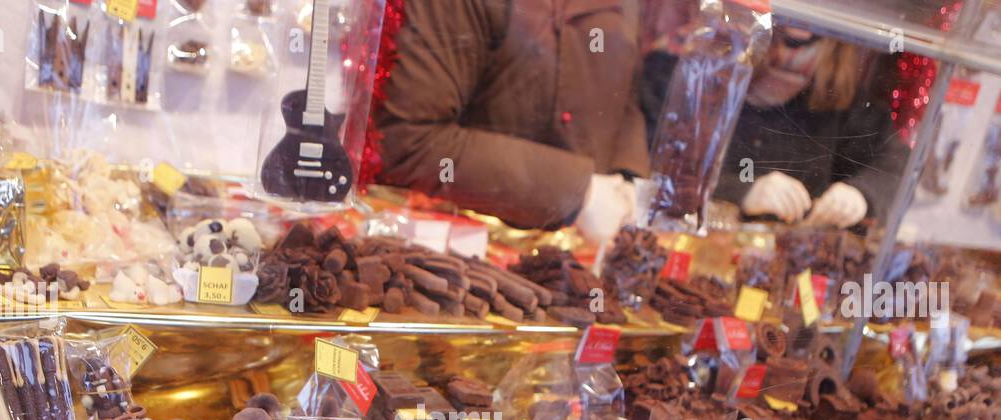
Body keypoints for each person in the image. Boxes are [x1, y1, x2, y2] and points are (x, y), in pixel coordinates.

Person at [375, 0, 650, 241]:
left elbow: (625, 94)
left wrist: (629, 181)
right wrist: (577, 190)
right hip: (458, 261)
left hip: (585, 262)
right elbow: (410, 140)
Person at [642, 22, 908, 228]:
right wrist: (742, 190)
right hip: (690, 255)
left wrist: (860, 195)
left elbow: (894, 165)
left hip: (783, 273)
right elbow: (655, 165)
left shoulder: (843, 94)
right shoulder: (697, 59)